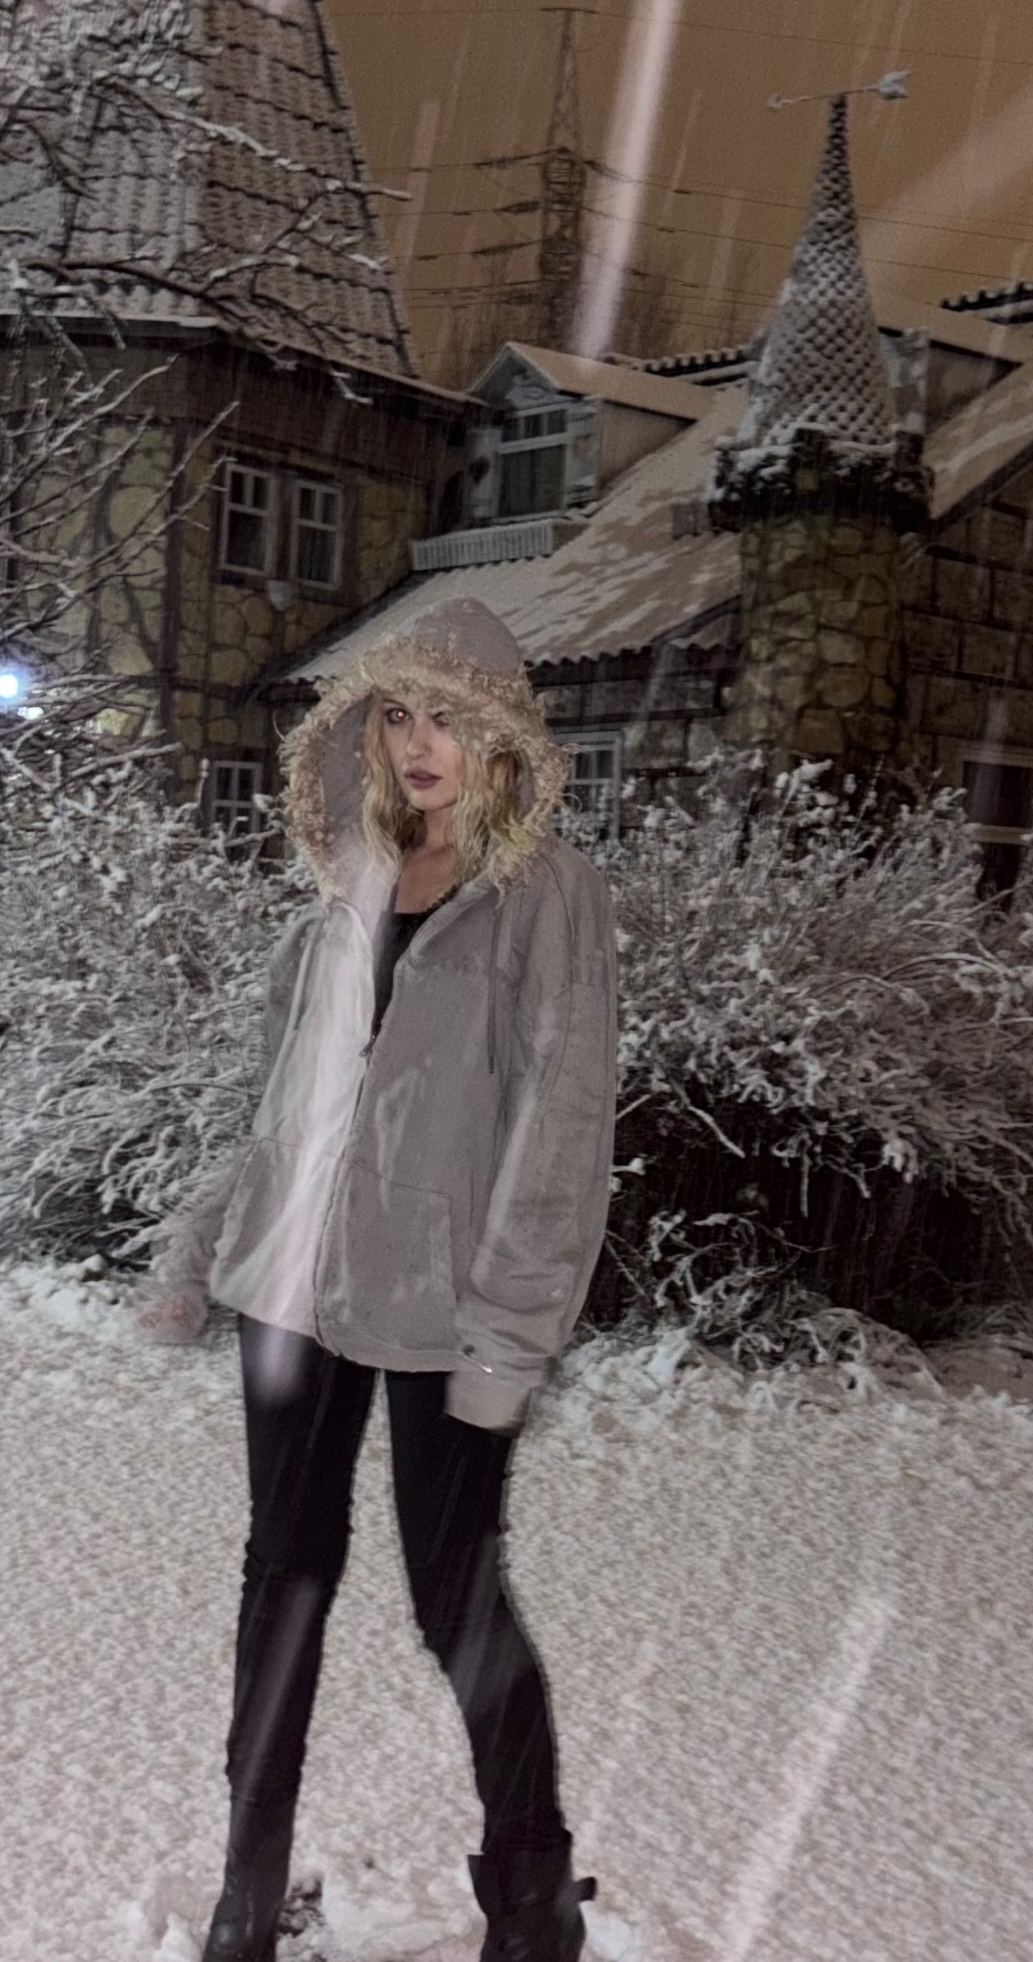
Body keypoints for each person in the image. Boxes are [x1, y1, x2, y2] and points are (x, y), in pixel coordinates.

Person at [163, 597, 617, 1962]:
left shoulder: (546, 897)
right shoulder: (346, 885)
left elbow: (559, 1134)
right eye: (401, 714)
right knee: (281, 1582)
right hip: (293, 1290)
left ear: (505, 739)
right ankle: (247, 1898)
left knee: (455, 1595)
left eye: (453, 719)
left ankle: (532, 1904)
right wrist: (201, 1248)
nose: (421, 744)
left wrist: (508, 1341)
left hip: (441, 1309)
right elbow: (278, 1107)